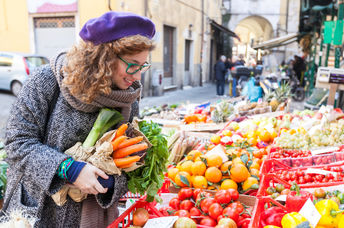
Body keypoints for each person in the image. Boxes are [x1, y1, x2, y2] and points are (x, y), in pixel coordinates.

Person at [4, 11, 155, 227]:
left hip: (88, 218)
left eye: (143, 65)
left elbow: (130, 164)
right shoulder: (46, 81)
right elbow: (16, 142)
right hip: (36, 213)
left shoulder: (128, 98)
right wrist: (69, 169)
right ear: (104, 57)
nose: (138, 75)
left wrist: (110, 182)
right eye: (133, 64)